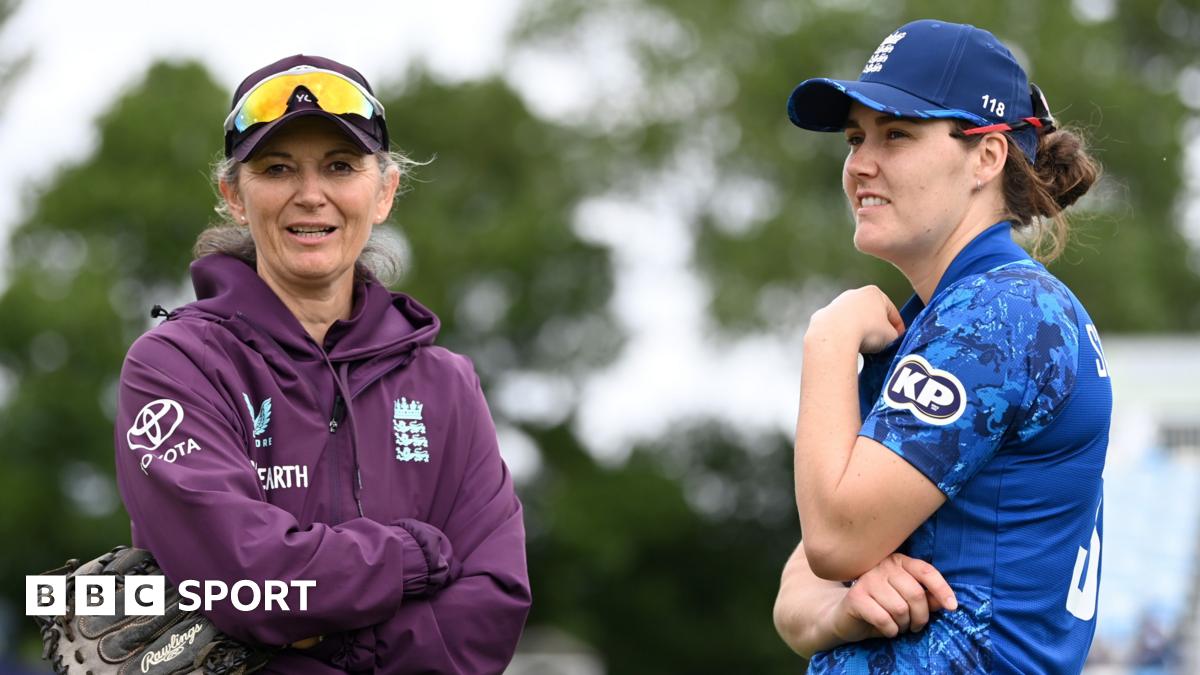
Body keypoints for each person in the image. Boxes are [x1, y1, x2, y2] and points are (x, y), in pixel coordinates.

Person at [113, 54, 531, 674]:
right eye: (277, 169)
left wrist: (327, 645)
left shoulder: (447, 383)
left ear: (384, 191)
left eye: (340, 166)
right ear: (234, 196)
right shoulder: (175, 365)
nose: (311, 196)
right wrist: (412, 559)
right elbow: (245, 581)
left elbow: (491, 608)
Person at [771, 19, 1109, 673]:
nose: (860, 163)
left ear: (986, 157)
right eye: (855, 138)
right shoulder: (952, 315)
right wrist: (843, 609)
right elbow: (798, 590)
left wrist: (829, 338)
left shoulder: (1000, 314)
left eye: (897, 134)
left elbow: (834, 539)